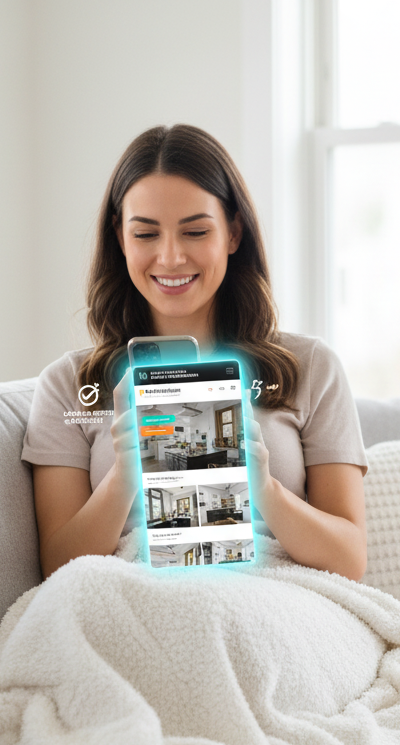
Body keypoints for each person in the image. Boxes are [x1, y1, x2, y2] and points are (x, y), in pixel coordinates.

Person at [22, 124, 368, 581]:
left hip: (277, 598)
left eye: (195, 232)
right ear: (120, 238)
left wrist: (262, 487)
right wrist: (128, 471)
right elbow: (60, 571)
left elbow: (349, 562)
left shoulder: (311, 368)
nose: (169, 258)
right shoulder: (71, 387)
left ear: (234, 233)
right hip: (134, 598)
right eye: (145, 234)